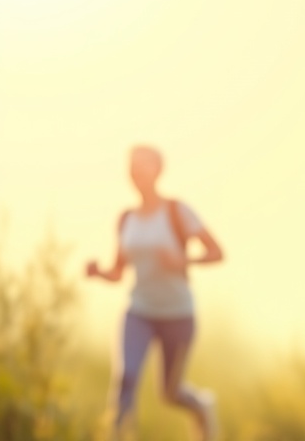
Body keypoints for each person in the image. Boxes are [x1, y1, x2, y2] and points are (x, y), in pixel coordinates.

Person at [86, 145, 223, 441]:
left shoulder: (176, 211)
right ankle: (119, 435)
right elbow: (118, 271)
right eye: (132, 166)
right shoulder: (127, 219)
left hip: (178, 315)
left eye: (143, 165)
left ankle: (203, 406)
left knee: (170, 393)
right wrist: (99, 272)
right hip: (139, 312)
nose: (136, 171)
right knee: (126, 379)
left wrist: (183, 260)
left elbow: (216, 252)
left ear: (158, 169)